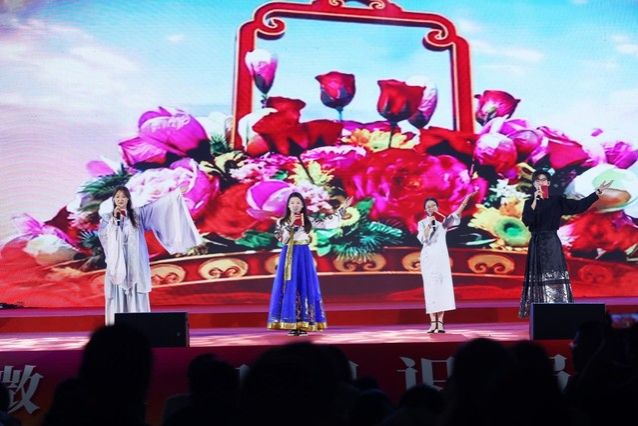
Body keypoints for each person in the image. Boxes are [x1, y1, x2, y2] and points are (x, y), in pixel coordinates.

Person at [98, 186, 202, 324]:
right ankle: (116, 328)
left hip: (135, 261)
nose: (120, 199)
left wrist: (174, 196)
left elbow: (158, 208)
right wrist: (115, 222)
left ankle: (139, 326)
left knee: (137, 293)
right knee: (118, 293)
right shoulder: (107, 218)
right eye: (117, 197)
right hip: (118, 263)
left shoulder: (138, 214)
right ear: (113, 200)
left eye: (123, 197)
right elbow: (104, 237)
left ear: (128, 199)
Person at [518, 170, 612, 318]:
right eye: (537, 180)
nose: (540, 183)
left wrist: (597, 193)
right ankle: (539, 310)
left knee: (554, 273)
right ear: (534, 183)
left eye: (543, 180)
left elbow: (579, 206)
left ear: (548, 183)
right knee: (538, 274)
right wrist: (535, 201)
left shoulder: (557, 201)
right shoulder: (529, 203)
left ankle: (557, 308)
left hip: (551, 240)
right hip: (536, 241)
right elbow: (527, 221)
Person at [267, 192, 350, 335]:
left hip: (303, 254)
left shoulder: (308, 220)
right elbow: (282, 239)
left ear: (302, 205)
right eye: (292, 203)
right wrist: (290, 224)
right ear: (288, 205)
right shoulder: (282, 221)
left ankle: (304, 322)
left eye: (298, 203)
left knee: (304, 283)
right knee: (289, 285)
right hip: (289, 254)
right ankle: (290, 322)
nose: (295, 205)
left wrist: (342, 209)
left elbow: (328, 223)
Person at [417, 191, 476, 333]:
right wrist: (429, 225)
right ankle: (433, 323)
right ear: (425, 210)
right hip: (428, 259)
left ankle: (441, 323)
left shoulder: (443, 223)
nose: (431, 208)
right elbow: (423, 239)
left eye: (433, 205)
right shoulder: (422, 223)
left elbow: (456, 214)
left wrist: (465, 200)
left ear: (437, 207)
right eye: (428, 206)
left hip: (441, 258)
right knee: (431, 289)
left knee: (442, 289)